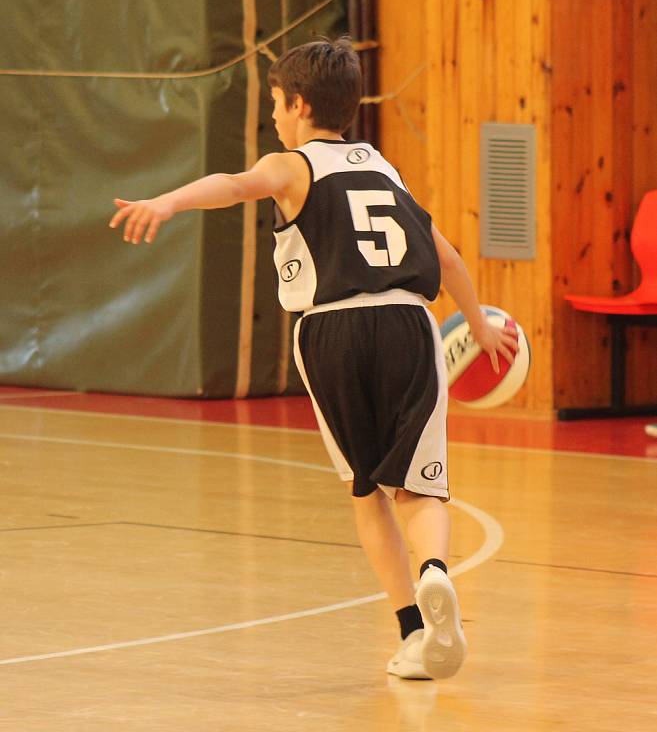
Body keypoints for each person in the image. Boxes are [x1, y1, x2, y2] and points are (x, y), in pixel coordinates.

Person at [109, 37, 518, 680]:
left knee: (366, 492)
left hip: (331, 330)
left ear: (299, 105)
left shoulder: (294, 165)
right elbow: (450, 259)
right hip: (411, 325)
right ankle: (436, 572)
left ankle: (413, 629)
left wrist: (169, 201)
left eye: (275, 102)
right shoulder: (384, 168)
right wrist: (478, 328)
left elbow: (238, 184)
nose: (274, 115)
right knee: (420, 486)